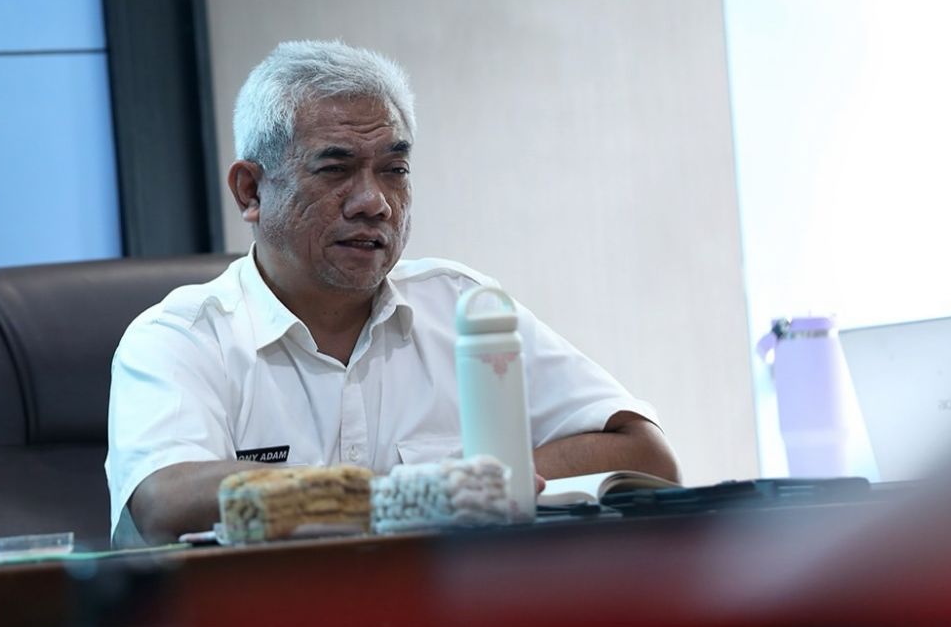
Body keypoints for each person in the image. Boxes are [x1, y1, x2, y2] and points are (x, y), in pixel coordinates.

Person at [106, 40, 679, 546]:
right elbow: (166, 499)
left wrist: (478, 486)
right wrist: (414, 495)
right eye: (336, 170)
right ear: (251, 190)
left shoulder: (460, 307)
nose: (374, 202)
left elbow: (645, 453)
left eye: (394, 170)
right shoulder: (180, 337)